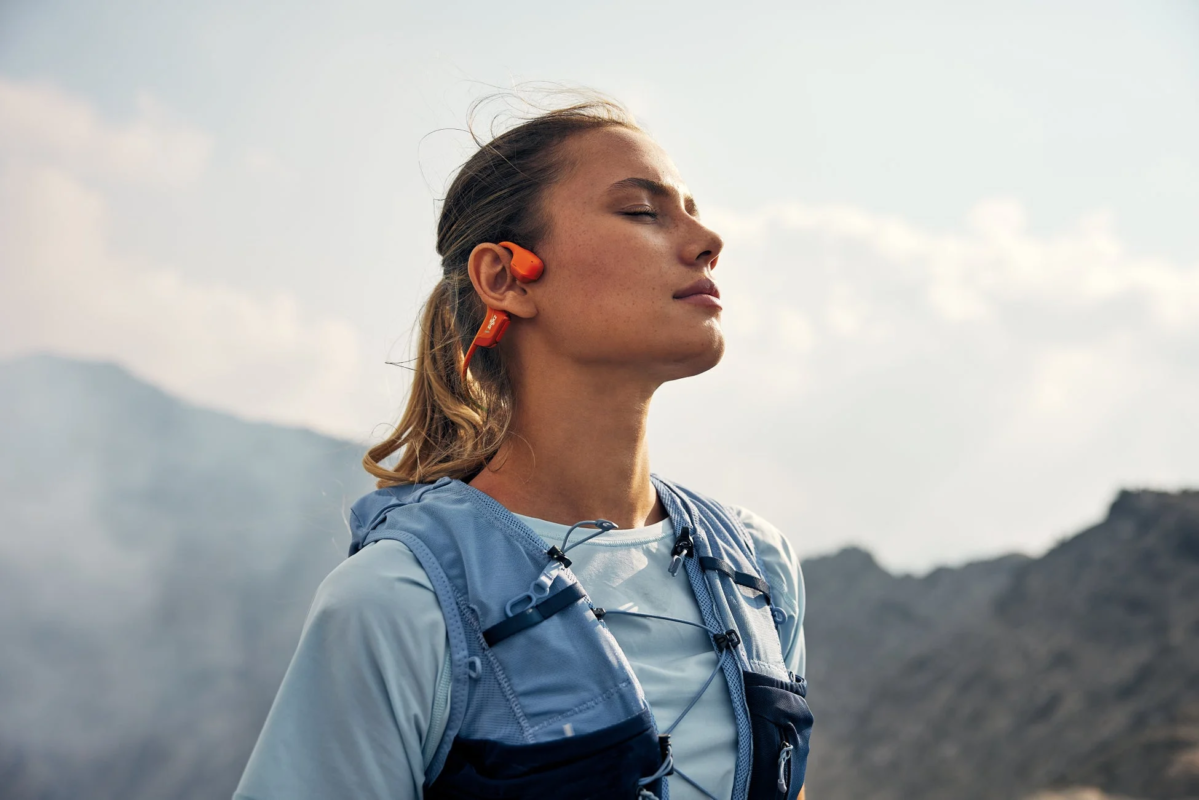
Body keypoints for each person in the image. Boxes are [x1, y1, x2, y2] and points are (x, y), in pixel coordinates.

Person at [234, 90, 812, 800]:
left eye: (692, 209)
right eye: (640, 211)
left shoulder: (756, 570)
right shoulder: (396, 603)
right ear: (504, 278)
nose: (706, 240)